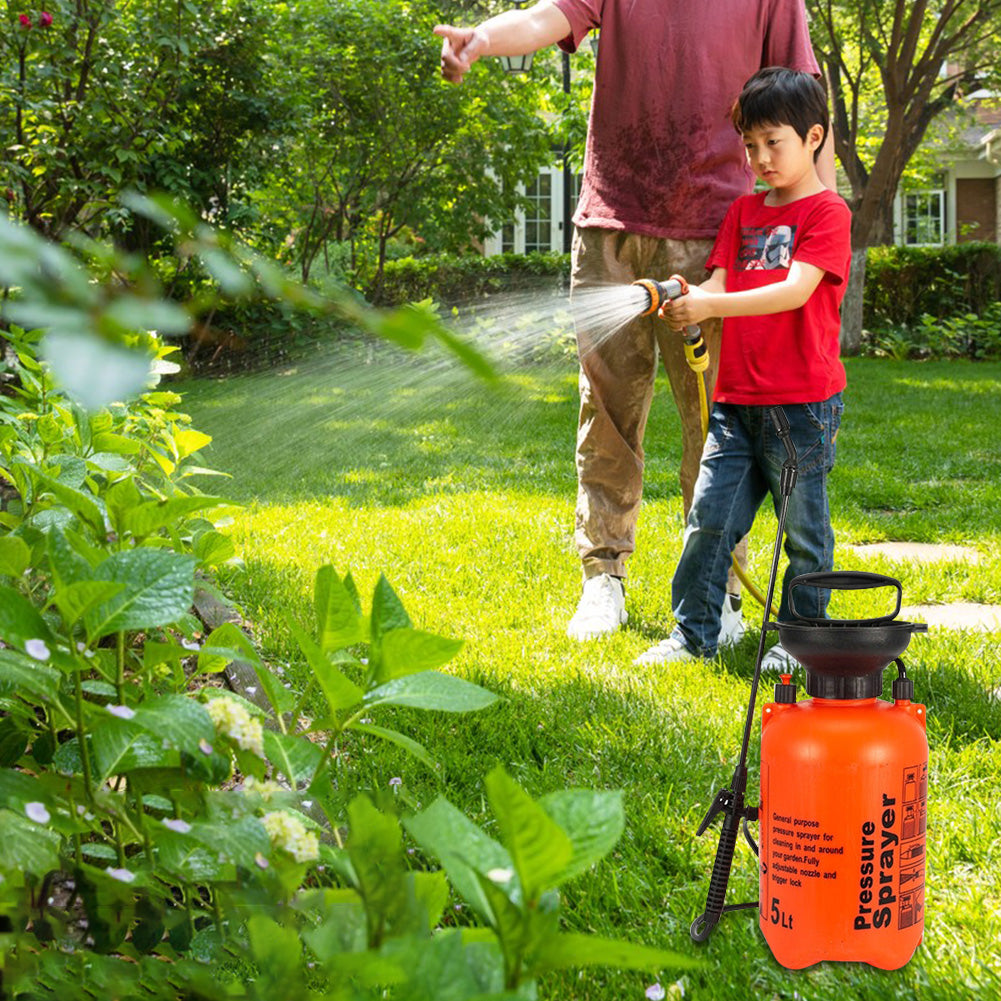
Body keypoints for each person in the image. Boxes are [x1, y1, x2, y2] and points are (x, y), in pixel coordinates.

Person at [434, 1, 835, 643]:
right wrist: (480, 39)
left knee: (716, 420)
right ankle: (603, 579)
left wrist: (817, 218)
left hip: (719, 229)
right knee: (609, 411)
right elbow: (547, 18)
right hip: (612, 223)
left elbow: (806, 102)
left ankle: (720, 592)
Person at [635, 66, 851, 667]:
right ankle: (693, 636)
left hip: (801, 405)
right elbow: (721, 282)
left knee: (803, 533)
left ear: (813, 138)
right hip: (735, 402)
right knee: (709, 520)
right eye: (750, 145)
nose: (759, 157)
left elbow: (794, 289)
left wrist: (711, 303)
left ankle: (801, 642)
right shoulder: (743, 215)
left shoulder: (827, 214)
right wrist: (690, 298)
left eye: (773, 142)